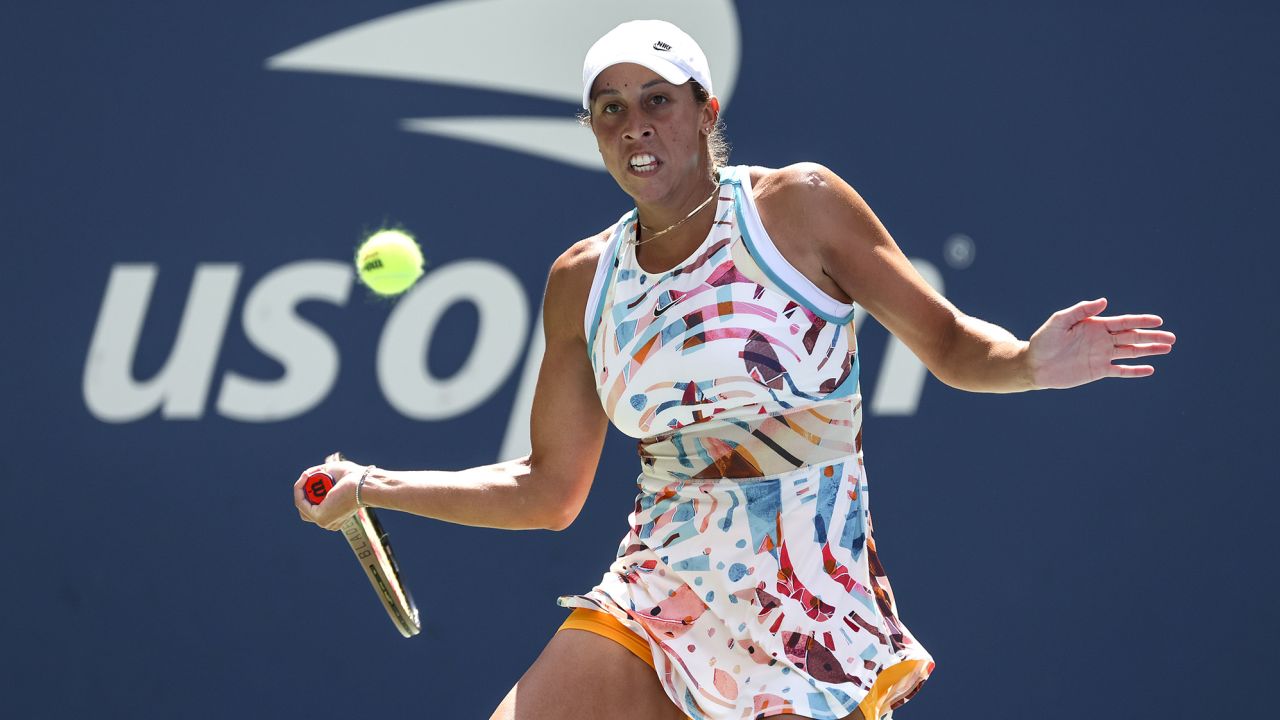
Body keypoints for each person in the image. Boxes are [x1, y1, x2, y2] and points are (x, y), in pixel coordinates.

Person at [294, 19, 1175, 720]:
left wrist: (1026, 361)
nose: (634, 124)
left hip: (809, 605)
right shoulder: (580, 281)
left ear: (706, 113)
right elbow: (548, 489)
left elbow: (945, 343)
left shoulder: (799, 208)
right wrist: (373, 486)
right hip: (660, 587)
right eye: (609, 107)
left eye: (657, 99)